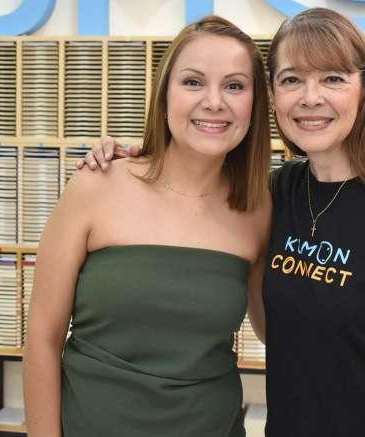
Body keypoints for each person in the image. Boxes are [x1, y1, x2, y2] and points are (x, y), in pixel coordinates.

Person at [79, 8, 365, 437]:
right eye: (291, 79)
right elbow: (271, 327)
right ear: (272, 93)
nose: (310, 98)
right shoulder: (275, 194)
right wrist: (136, 155)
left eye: (333, 78)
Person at [22, 16, 272, 437]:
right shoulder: (96, 185)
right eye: (193, 82)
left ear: (255, 104)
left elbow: (276, 330)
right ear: (164, 93)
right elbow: (42, 340)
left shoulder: (258, 208)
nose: (214, 102)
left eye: (234, 86)